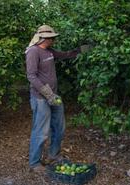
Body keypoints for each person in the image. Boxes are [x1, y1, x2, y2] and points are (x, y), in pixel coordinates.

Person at [25, 25, 91, 172]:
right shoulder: (33, 52)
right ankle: (34, 163)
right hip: (41, 98)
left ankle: (53, 155)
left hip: (54, 96)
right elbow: (31, 76)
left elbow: (65, 55)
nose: (53, 40)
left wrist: (80, 50)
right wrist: (47, 94)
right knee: (40, 131)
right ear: (44, 38)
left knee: (59, 127)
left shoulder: (49, 51)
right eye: (51, 38)